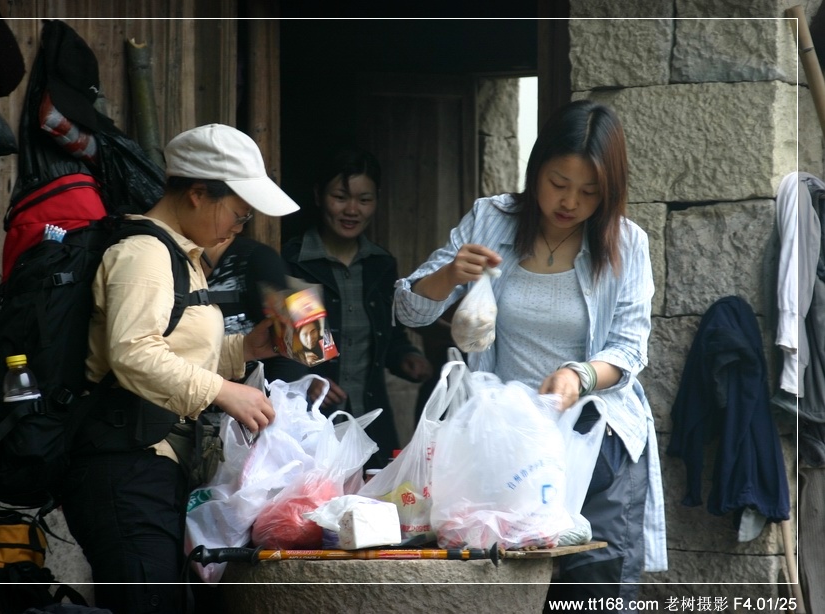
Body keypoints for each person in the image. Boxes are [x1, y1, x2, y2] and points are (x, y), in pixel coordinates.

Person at [394, 100, 666, 606]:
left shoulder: (626, 243)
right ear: (536, 168)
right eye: (558, 183)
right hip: (504, 447)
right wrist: (450, 274)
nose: (570, 202)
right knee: (504, 591)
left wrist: (578, 376)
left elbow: (629, 348)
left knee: (593, 590)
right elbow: (410, 311)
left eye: (589, 192)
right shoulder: (490, 219)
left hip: (595, 440)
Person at [60, 123, 300, 614]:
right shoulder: (144, 253)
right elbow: (133, 354)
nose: (239, 227)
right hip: (123, 466)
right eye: (237, 212)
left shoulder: (180, 256)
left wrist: (246, 350)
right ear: (196, 194)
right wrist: (223, 391)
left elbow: (172, 349)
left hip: (150, 464)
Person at [267, 146, 433, 466]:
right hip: (313, 422)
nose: (352, 209)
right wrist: (307, 379)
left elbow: (388, 334)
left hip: (372, 419)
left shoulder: (380, 264)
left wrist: (406, 357)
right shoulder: (294, 261)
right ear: (318, 196)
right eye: (340, 197)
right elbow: (293, 348)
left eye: (364, 199)